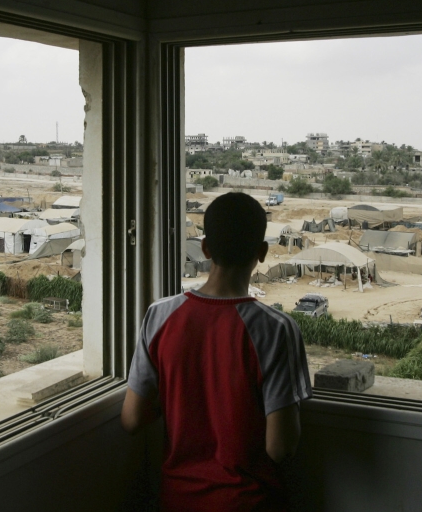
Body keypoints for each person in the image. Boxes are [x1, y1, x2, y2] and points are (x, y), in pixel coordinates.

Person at [122, 192, 313, 511]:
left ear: (206, 248)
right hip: (246, 501)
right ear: (262, 252)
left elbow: (131, 419)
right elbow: (280, 448)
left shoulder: (160, 316)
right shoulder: (277, 329)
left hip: (176, 500)